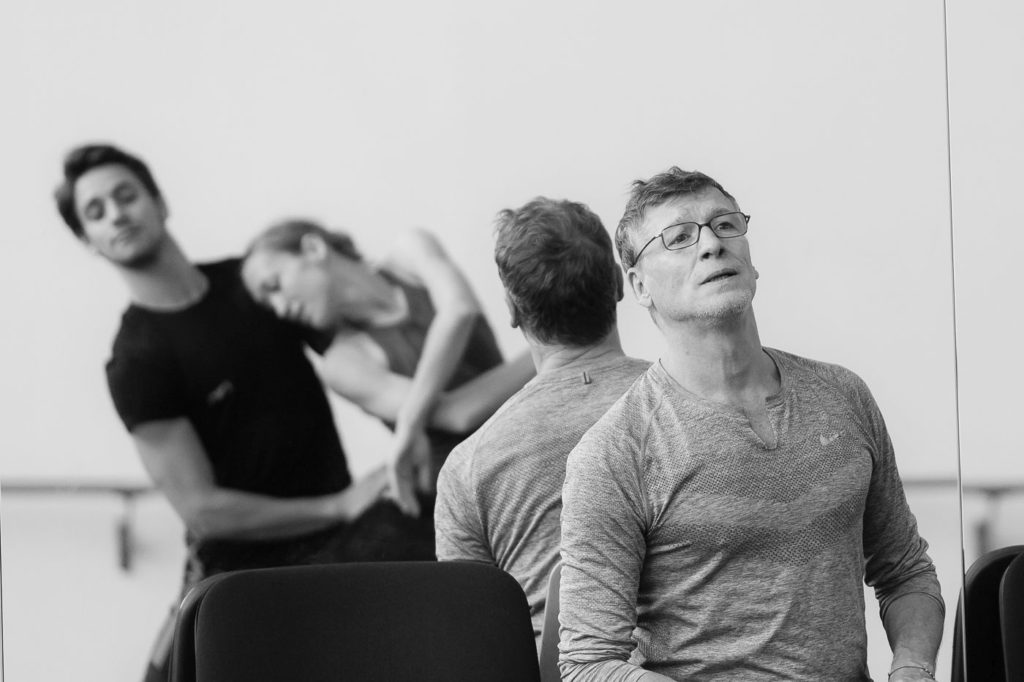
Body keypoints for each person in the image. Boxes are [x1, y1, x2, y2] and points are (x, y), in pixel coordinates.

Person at [558, 167, 944, 682]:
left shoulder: (843, 396)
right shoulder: (614, 452)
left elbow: (906, 572)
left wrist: (912, 668)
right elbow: (587, 664)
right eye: (678, 238)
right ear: (640, 286)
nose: (712, 245)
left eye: (725, 225)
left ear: (751, 260)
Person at [54, 144, 393, 682]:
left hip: (340, 549)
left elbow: (364, 367)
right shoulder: (136, 360)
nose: (117, 214)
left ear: (160, 202)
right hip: (238, 578)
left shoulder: (252, 282)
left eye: (126, 196)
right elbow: (203, 510)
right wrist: (336, 506)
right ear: (86, 241)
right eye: (95, 212)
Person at [433, 197, 649, 651]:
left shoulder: (468, 466)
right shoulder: (696, 402)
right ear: (617, 283)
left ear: (512, 310)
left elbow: (470, 649)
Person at [241, 220, 536, 523]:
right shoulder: (341, 364)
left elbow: (459, 310)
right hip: (472, 493)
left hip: (526, 435)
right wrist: (556, 347)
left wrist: (408, 423)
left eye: (274, 286)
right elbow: (457, 413)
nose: (280, 309)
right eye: (269, 305)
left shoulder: (412, 249)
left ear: (313, 248)